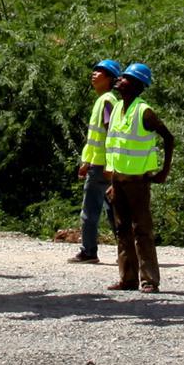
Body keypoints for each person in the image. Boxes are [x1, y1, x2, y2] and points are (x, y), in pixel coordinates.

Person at [103, 61, 177, 293]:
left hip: (138, 181)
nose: (119, 80)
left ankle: (149, 280)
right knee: (122, 229)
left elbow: (169, 137)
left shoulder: (144, 111)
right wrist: (111, 180)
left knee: (141, 230)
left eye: (125, 77)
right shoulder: (116, 108)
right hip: (119, 179)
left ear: (135, 85)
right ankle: (127, 278)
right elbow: (114, 145)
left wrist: (163, 171)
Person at [72, 59, 121, 266]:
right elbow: (95, 138)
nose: (94, 74)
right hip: (100, 164)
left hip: (101, 167)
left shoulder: (107, 100)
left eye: (100, 71)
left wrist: (108, 165)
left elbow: (110, 132)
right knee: (113, 211)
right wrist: (86, 161)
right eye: (94, 70)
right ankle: (125, 250)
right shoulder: (103, 100)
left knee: (90, 211)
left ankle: (89, 251)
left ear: (109, 79)